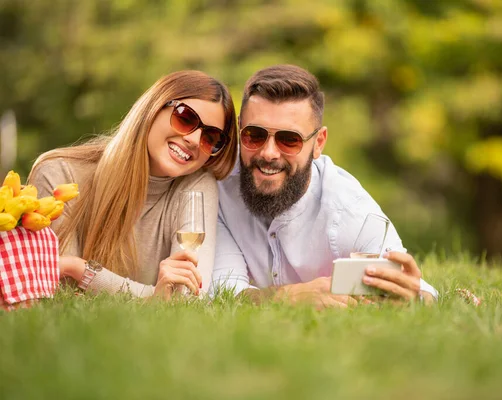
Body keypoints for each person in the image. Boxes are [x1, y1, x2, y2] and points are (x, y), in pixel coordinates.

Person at [211, 64, 438, 307]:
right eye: (254, 135)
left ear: (318, 142)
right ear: (239, 130)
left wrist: (416, 298)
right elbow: (223, 294)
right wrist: (291, 297)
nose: (268, 153)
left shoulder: (352, 212)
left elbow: (415, 290)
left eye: (289, 140)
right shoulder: (217, 186)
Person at [28, 70, 238, 300]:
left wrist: (80, 270)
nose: (194, 140)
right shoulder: (59, 174)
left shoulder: (197, 187)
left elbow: (187, 297)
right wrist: (154, 297)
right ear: (153, 107)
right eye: (185, 118)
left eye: (211, 138)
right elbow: (57, 290)